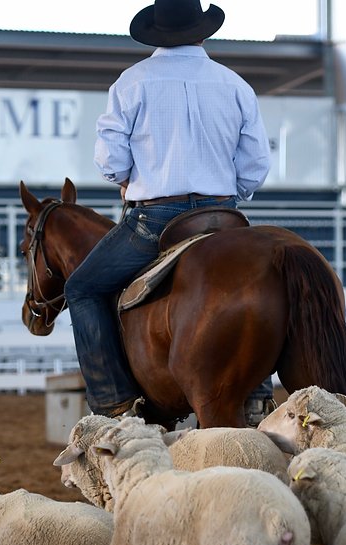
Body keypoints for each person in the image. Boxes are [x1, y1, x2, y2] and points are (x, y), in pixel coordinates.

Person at [64, 0, 272, 421]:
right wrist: (231, 191)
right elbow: (255, 165)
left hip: (156, 220)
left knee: (82, 289)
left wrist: (124, 175)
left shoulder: (131, 82)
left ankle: (113, 402)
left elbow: (111, 162)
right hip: (224, 218)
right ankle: (259, 391)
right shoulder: (234, 84)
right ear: (203, 31)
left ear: (157, 32)